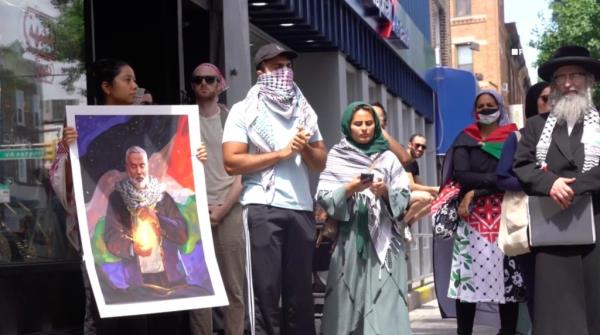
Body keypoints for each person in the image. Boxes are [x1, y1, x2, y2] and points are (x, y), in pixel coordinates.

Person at [222, 43, 326, 335]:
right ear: (261, 72)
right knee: (264, 293)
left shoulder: (303, 111)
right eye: (277, 66)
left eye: (288, 66)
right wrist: (280, 154)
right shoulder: (244, 110)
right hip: (262, 207)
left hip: (301, 208)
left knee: (300, 295)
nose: (285, 72)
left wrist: (302, 146)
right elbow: (231, 162)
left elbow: (320, 162)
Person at [513, 45, 600, 335]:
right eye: (561, 77)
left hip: (596, 227)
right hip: (552, 229)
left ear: (589, 81)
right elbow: (522, 165)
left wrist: (574, 187)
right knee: (556, 315)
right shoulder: (536, 126)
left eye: (575, 75)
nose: (568, 83)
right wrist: (551, 184)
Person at [49, 58, 139, 334]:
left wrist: (197, 155)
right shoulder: (82, 125)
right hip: (102, 227)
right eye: (127, 79)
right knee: (101, 304)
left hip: (141, 227)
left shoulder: (145, 120)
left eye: (135, 80)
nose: (134, 86)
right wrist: (68, 149)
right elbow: (64, 183)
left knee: (141, 303)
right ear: (106, 87)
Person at [316, 102, 412, 335]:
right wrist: (351, 187)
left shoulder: (389, 158)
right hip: (350, 241)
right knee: (347, 301)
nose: (364, 128)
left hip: (386, 244)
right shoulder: (338, 155)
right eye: (358, 124)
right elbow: (324, 197)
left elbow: (404, 195)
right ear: (348, 126)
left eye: (369, 123)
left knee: (387, 302)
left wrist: (385, 191)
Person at [443, 90, 524, 335]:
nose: (487, 109)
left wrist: (475, 191)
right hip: (471, 220)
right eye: (481, 106)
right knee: (467, 282)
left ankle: (508, 331)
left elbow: (516, 174)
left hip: (506, 216)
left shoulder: (514, 138)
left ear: (500, 107)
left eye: (491, 105)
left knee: (507, 283)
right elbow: (462, 175)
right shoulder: (464, 139)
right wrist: (497, 178)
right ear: (474, 111)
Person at [188, 63, 246, 335]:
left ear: (220, 83)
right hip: (193, 210)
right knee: (199, 287)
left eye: (209, 79)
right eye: (198, 79)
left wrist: (224, 209)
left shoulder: (232, 120)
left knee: (233, 286)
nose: (203, 84)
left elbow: (241, 173)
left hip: (229, 208)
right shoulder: (182, 120)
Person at [496, 81, 550, 321]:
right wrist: (535, 180)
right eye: (545, 99)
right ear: (533, 103)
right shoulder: (517, 138)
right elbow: (502, 178)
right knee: (535, 290)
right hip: (527, 225)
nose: (552, 104)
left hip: (566, 219)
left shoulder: (576, 135)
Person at [104, 146, 189, 288]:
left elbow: (182, 234)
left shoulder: (162, 196)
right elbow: (111, 236)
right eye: (133, 166)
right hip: (138, 281)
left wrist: (158, 219)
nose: (138, 171)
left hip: (172, 277)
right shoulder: (117, 199)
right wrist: (132, 247)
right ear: (127, 167)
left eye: (142, 166)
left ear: (147, 166)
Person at [403, 133, 438, 225]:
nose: (420, 149)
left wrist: (437, 192)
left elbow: (420, 184)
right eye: (417, 145)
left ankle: (408, 224)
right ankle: (402, 223)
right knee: (426, 197)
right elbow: (412, 186)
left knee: (435, 199)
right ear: (410, 145)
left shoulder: (414, 163)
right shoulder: (405, 158)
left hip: (405, 195)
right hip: (395, 196)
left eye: (423, 147)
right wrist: (434, 189)